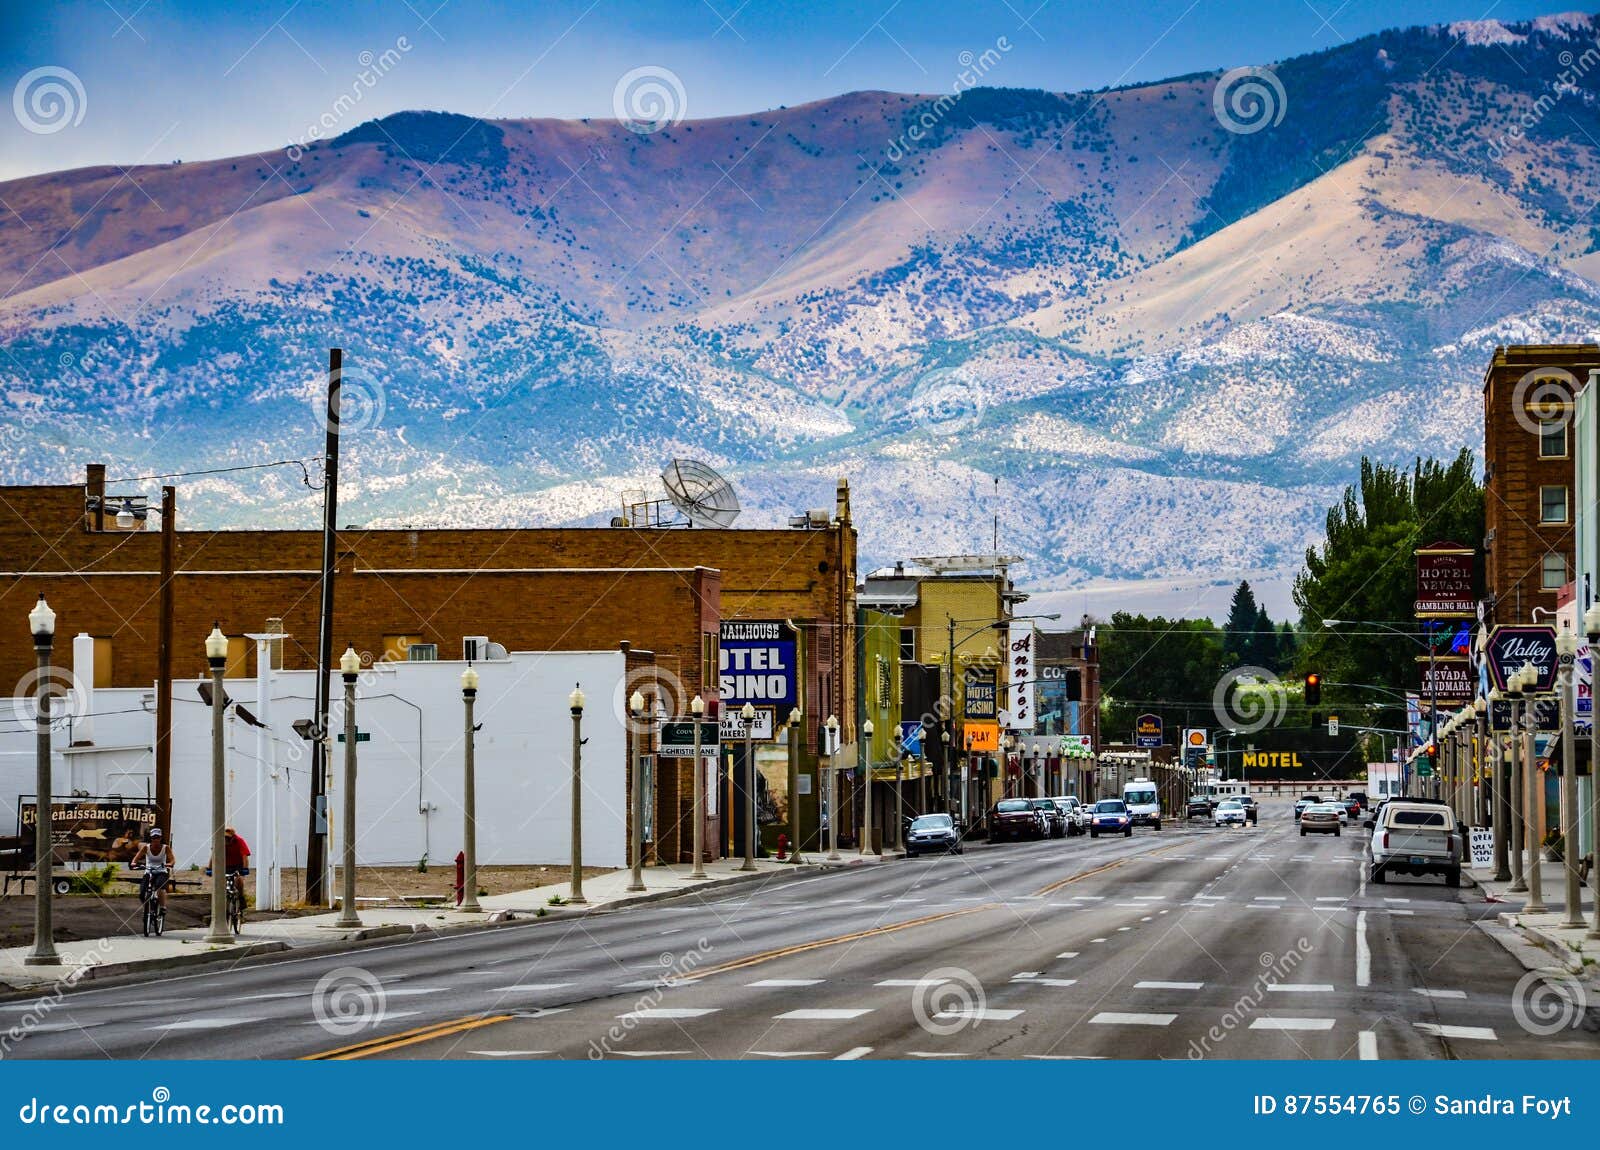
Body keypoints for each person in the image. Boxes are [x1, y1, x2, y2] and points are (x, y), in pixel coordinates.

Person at [207, 827, 251, 909]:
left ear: (233, 837)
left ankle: (241, 897)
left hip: (237, 864)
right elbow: (213, 856)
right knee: (220, 882)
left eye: (228, 838)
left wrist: (245, 869)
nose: (226, 839)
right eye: (224, 837)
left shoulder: (239, 841)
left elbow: (244, 856)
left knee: (239, 880)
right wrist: (209, 869)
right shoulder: (219, 841)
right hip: (224, 865)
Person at [131, 828, 174, 912]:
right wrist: (133, 863)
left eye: (157, 837)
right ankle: (147, 908)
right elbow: (136, 858)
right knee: (142, 893)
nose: (155, 840)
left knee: (159, 886)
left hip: (161, 871)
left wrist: (170, 864)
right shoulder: (146, 848)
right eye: (154, 838)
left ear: (160, 838)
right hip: (149, 871)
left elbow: (172, 859)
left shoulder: (165, 848)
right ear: (151, 838)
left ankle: (162, 907)